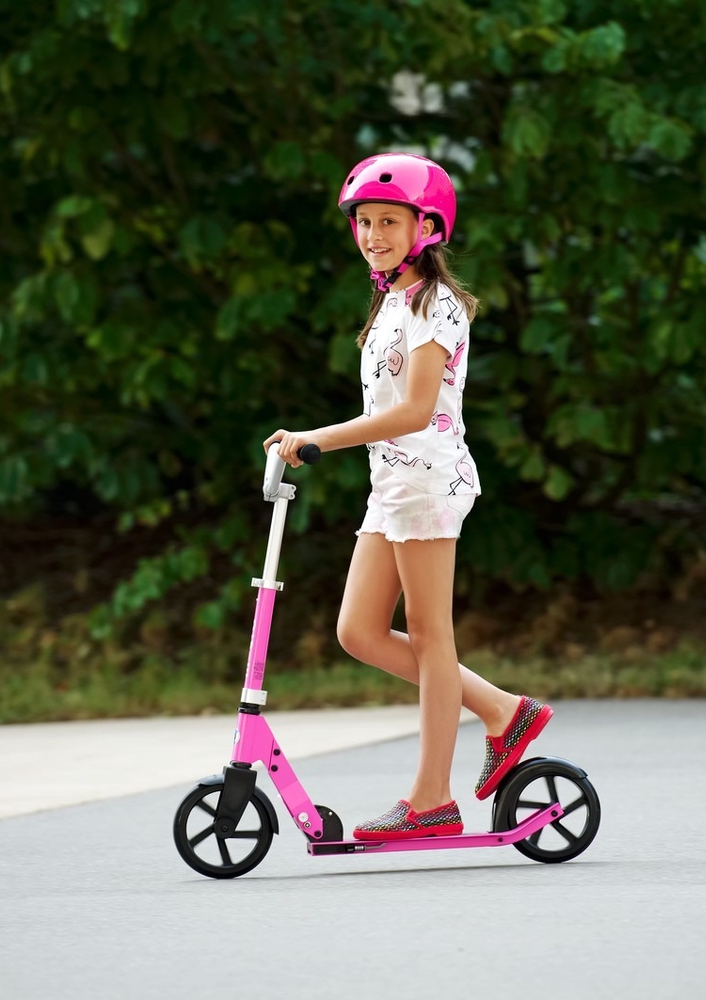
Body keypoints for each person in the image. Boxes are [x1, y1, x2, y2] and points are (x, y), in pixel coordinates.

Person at [264, 152, 552, 840]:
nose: (373, 234)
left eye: (389, 221)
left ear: (425, 227)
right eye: (364, 221)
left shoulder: (435, 305)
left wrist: (317, 438)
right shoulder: (393, 300)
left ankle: (432, 801)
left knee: (430, 637)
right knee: (358, 632)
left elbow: (416, 410)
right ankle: (504, 711)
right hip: (391, 486)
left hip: (428, 484)